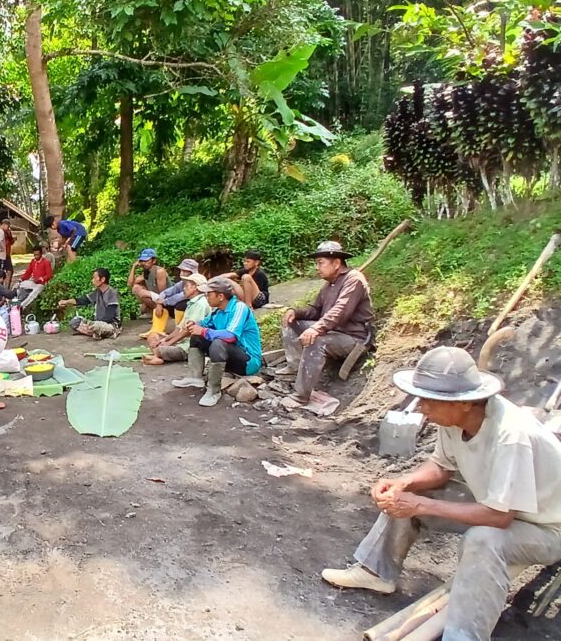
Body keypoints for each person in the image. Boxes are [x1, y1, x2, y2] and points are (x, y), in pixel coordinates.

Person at [320, 347, 561, 641]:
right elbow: (441, 468)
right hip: (501, 504)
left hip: (546, 527)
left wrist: (420, 504)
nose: (421, 407)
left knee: (483, 541)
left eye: (429, 400)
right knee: (409, 493)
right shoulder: (455, 420)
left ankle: (464, 635)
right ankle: (376, 571)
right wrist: (405, 484)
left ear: (464, 403)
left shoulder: (511, 435)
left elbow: (499, 517)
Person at [278, 241, 374, 405]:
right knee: (291, 322)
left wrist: (316, 329)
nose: (317, 267)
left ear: (336, 263)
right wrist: (296, 313)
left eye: (320, 263)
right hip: (333, 331)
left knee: (318, 341)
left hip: (353, 337)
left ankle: (300, 396)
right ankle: (295, 369)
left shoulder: (354, 279)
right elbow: (316, 310)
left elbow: (340, 311)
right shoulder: (329, 285)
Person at [173, 276, 262, 407]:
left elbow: (231, 336)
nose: (206, 296)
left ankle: (213, 390)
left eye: (209, 294)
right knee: (197, 337)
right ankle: (194, 377)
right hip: (228, 356)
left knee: (218, 342)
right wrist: (194, 324)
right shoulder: (217, 311)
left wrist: (203, 331)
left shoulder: (239, 308)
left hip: (248, 361)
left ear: (220, 296)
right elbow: (203, 324)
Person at [141, 274, 211, 366]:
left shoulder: (200, 304)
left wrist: (169, 343)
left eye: (186, 286)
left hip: (189, 346)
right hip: (181, 341)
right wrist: (165, 339)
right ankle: (158, 356)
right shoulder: (192, 303)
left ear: (195, 288)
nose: (184, 289)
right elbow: (179, 328)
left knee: (160, 349)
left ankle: (158, 356)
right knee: (153, 336)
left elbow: (188, 330)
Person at [57, 267, 120, 340]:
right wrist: (66, 302)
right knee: (75, 322)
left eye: (94, 278)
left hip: (110, 325)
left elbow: (109, 316)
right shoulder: (97, 292)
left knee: (96, 326)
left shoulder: (112, 293)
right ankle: (96, 332)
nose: (92, 280)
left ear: (102, 279)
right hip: (97, 324)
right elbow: (82, 300)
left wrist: (93, 325)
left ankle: (95, 331)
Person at [127, 248, 170, 339]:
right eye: (142, 261)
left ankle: (161, 314)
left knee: (142, 292)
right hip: (157, 299)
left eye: (146, 261)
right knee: (136, 288)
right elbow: (130, 284)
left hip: (166, 300)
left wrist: (159, 304)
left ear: (154, 260)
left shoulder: (159, 271)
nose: (144, 263)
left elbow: (163, 293)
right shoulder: (146, 272)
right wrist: (134, 267)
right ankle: (153, 312)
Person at [151, 258, 201, 327]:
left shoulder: (197, 282)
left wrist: (163, 301)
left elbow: (181, 296)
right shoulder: (181, 283)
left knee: (180, 305)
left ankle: (180, 328)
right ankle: (156, 330)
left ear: (191, 272)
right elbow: (166, 292)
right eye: (181, 270)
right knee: (163, 306)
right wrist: (159, 303)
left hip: (196, 309)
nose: (181, 273)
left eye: (185, 271)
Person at [2, 216, 16, 288]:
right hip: (1, 255)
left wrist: (13, 239)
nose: (8, 227)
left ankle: (7, 287)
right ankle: (1, 288)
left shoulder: (8, 232)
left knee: (10, 271)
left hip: (7, 254)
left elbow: (11, 242)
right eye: (7, 225)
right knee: (1, 272)